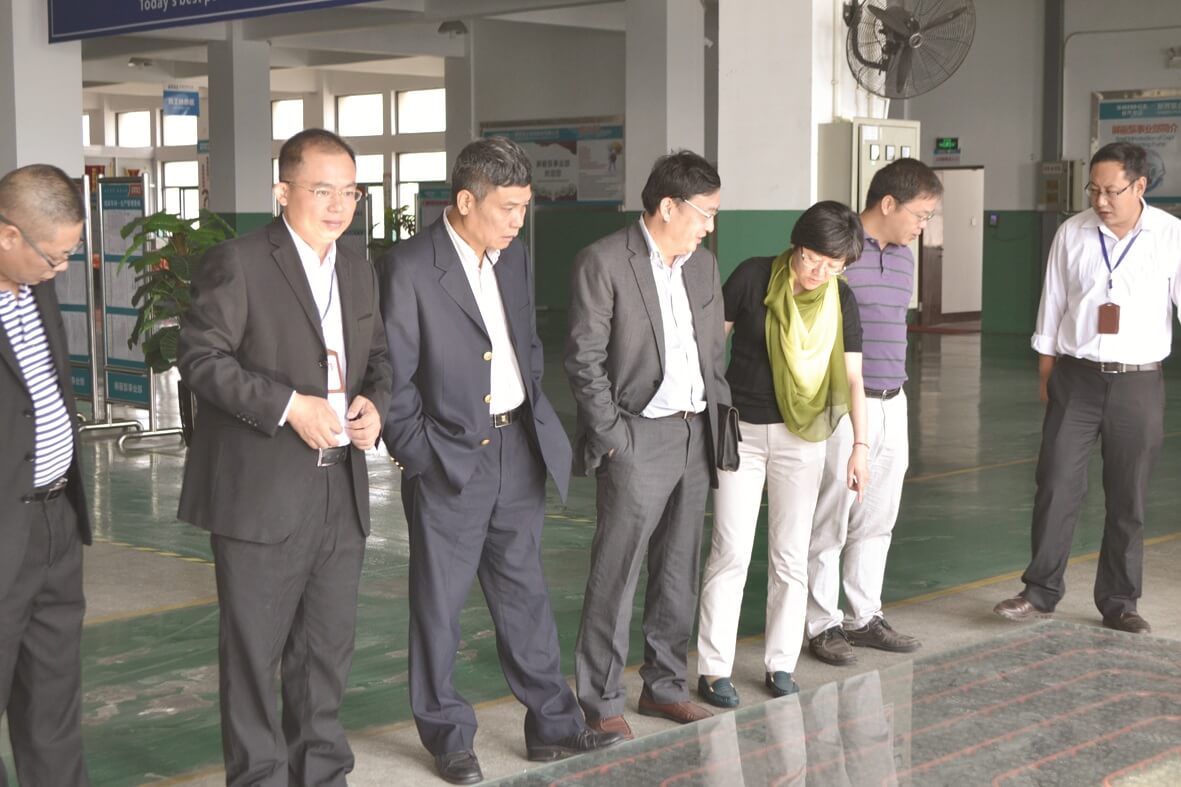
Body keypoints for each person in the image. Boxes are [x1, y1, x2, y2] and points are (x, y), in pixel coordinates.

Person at [378, 136, 621, 786]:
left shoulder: (512, 258)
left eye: (524, 207)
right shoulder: (409, 267)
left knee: (524, 593)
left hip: (518, 449)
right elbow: (392, 380)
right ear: (466, 201)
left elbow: (526, 344)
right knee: (439, 607)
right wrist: (421, 455)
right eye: (507, 207)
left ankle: (553, 723)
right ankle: (448, 736)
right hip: (449, 459)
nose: (518, 220)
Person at [177, 128, 392, 786]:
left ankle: (322, 773)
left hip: (340, 489)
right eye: (322, 190)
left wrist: (375, 404)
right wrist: (289, 405)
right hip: (261, 491)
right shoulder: (240, 262)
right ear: (282, 191)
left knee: (325, 650)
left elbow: (378, 359)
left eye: (350, 192)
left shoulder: (356, 268)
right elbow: (201, 359)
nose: (338, 205)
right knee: (254, 655)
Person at [566, 150, 732, 740]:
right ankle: (600, 698)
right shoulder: (605, 261)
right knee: (618, 570)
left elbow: (712, 352)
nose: (710, 225)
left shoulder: (703, 266)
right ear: (668, 206)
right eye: (705, 213)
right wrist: (615, 438)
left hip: (695, 431)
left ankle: (664, 686)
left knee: (678, 568)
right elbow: (584, 360)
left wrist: (714, 418)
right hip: (637, 434)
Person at [994, 141, 1181, 634]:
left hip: (1139, 382)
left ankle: (1120, 602)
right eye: (1093, 190)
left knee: (1128, 496)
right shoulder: (1072, 232)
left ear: (1140, 186)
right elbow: (1053, 301)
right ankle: (1039, 592)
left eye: (1111, 191)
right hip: (1075, 378)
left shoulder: (1170, 235)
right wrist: (1046, 371)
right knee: (1056, 483)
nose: (1100, 200)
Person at [696, 201, 869, 708]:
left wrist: (860, 447)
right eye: (813, 258)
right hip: (742, 434)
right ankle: (713, 668)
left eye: (833, 266)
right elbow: (711, 351)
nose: (819, 272)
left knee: (790, 556)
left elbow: (853, 378)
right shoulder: (753, 277)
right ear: (797, 243)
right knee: (729, 551)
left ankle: (781, 664)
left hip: (804, 439)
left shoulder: (840, 299)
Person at [806, 158, 942, 666]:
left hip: (893, 400)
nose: (922, 225)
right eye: (920, 215)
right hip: (842, 406)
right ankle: (821, 624)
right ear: (888, 203)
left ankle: (863, 617)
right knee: (831, 517)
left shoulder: (904, 257)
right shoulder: (837, 251)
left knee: (878, 516)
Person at [0, 164, 90, 786]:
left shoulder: (38, 285)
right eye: (53, 256)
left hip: (57, 519)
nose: (60, 269)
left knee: (53, 702)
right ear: (7, 234)